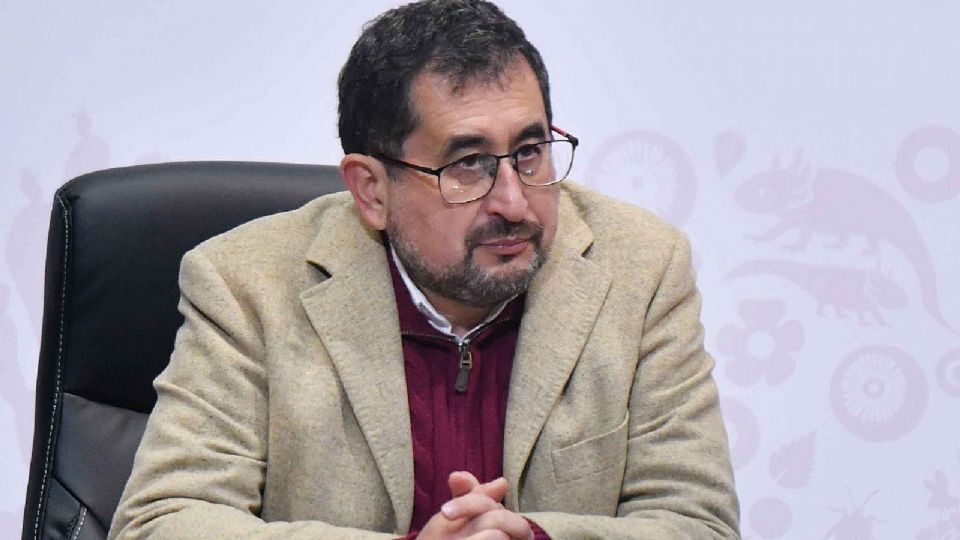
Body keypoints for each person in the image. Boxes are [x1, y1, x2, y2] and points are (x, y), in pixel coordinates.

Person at [108, 1, 740, 538]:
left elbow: (698, 522)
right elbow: (162, 522)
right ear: (371, 190)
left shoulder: (641, 269)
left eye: (529, 152)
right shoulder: (246, 285)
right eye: (466, 164)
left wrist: (535, 537)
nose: (513, 201)